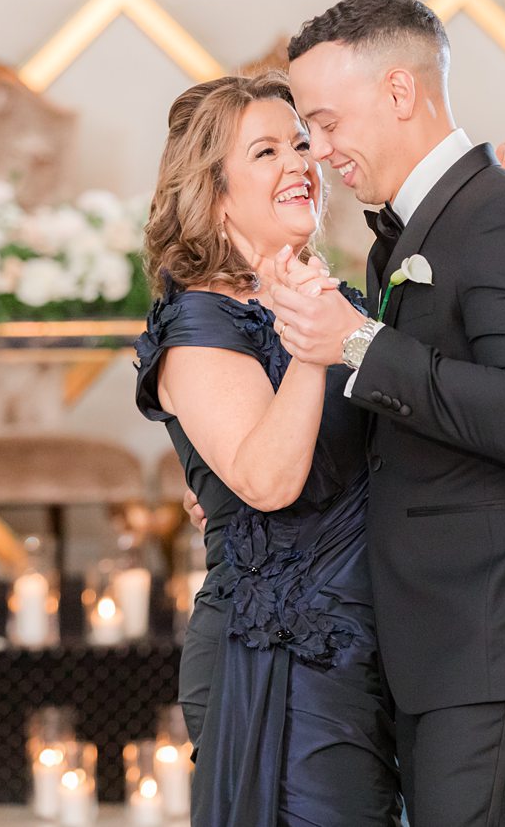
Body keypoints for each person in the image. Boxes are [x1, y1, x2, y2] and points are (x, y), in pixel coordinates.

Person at [263, 0, 505, 826]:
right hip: (446, 648)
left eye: (325, 120)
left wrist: (356, 343)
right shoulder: (425, 230)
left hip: (500, 642)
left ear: (399, 92)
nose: (317, 150)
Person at [134, 72, 398, 825]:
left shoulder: (328, 296)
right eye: (267, 150)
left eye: (301, 143)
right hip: (281, 660)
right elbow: (269, 480)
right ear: (216, 194)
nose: (298, 163)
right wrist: (311, 344)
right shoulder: (200, 325)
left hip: (367, 645)